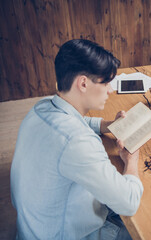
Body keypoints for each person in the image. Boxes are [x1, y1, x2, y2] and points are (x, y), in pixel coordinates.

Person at [10, 39, 143, 239]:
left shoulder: (42, 105)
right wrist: (131, 162)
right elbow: (129, 203)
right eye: (106, 82)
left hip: (33, 227)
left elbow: (76, 121)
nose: (110, 90)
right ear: (83, 83)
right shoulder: (78, 142)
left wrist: (108, 125)